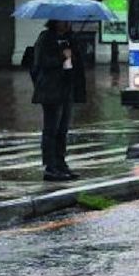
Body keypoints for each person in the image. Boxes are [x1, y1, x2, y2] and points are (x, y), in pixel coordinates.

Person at [31, 20, 87, 181]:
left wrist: (73, 55)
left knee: (63, 130)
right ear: (55, 21)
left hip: (67, 89)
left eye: (68, 21)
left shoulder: (70, 38)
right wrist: (62, 56)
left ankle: (61, 163)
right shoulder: (46, 38)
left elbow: (78, 63)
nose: (67, 24)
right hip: (51, 90)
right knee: (51, 129)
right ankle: (50, 166)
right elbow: (42, 62)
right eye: (63, 21)